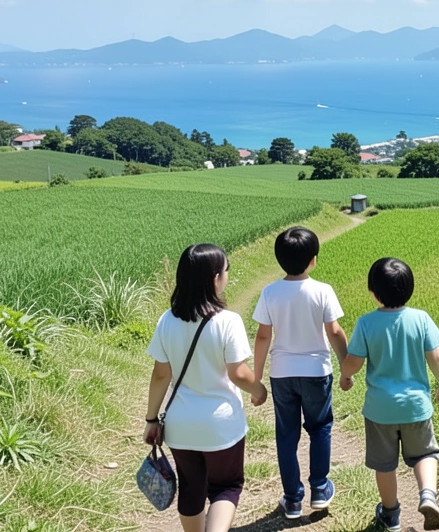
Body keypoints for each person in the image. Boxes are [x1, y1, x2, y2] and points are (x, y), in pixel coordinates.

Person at [145, 243, 268, 532]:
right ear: (215, 278)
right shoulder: (228, 322)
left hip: (180, 426)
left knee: (190, 488)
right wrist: (259, 390)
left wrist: (151, 419)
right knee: (226, 487)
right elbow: (238, 374)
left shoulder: (167, 320)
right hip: (220, 424)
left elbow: (161, 376)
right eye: (226, 271)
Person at [340, 257, 439, 531]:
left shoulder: (366, 323)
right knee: (425, 454)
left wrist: (346, 374)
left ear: (373, 292)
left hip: (380, 410)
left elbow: (354, 362)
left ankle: (391, 514)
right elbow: (436, 357)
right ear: (409, 289)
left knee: (385, 464)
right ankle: (427, 495)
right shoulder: (420, 319)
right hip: (416, 407)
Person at [251, 226, 349, 519]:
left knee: (286, 435)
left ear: (280, 259)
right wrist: (346, 368)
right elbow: (334, 331)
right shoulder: (323, 291)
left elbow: (263, 338)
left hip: (281, 373)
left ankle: (292, 499)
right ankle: (319, 489)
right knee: (320, 429)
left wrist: (256, 379)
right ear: (313, 260)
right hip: (317, 371)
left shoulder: (270, 292)